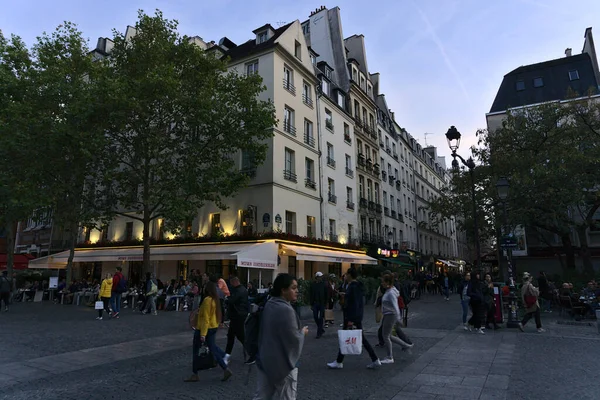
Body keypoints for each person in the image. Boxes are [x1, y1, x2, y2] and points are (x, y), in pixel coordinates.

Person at [253, 273, 308, 400]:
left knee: (261, 396)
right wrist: (303, 333)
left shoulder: (270, 304)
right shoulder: (286, 310)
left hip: (266, 360)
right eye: (293, 288)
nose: (297, 291)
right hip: (283, 364)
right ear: (283, 290)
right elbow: (294, 339)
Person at [327, 267, 381, 370]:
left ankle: (339, 361)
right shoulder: (356, 286)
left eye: (346, 274)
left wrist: (351, 319)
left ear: (350, 275)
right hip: (355, 316)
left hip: (351, 316)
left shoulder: (353, 287)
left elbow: (354, 303)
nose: (345, 276)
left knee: (348, 338)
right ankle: (374, 359)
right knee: (357, 338)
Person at [185, 281, 233, 382]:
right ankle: (225, 368)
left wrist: (203, 334)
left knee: (196, 350)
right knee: (213, 349)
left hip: (204, 328)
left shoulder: (207, 300)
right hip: (213, 327)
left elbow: (205, 318)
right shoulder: (215, 300)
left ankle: (195, 374)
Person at [379, 274, 413, 364]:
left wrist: (398, 319)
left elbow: (395, 306)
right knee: (389, 335)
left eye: (383, 281)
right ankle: (405, 345)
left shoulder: (390, 293)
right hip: (389, 314)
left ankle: (390, 357)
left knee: (385, 336)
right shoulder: (391, 290)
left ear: (387, 282)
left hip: (390, 315)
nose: (381, 283)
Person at [224, 276, 248, 364]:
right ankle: (227, 355)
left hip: (237, 315)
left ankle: (250, 352)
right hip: (239, 315)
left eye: (231, 283)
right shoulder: (242, 289)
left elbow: (232, 300)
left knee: (238, 336)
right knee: (233, 335)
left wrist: (227, 299)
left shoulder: (238, 291)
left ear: (234, 282)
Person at [310, 272, 327, 338]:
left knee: (321, 318)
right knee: (315, 317)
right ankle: (321, 329)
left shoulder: (323, 284)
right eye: (320, 277)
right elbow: (311, 294)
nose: (321, 278)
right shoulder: (313, 285)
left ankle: (319, 333)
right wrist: (311, 304)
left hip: (322, 303)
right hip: (315, 303)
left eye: (321, 277)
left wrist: (326, 303)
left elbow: (326, 294)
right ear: (317, 277)